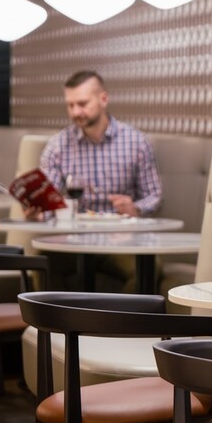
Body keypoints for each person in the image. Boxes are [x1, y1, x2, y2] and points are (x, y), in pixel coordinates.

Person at [34, 70, 162, 290]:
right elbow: (48, 199)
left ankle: (121, 325)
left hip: (121, 239)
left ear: (103, 99)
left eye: (82, 104)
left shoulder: (136, 142)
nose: (75, 112)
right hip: (73, 239)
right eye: (70, 105)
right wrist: (38, 210)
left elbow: (154, 195)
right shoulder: (58, 146)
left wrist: (135, 209)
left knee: (148, 269)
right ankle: (57, 326)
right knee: (41, 263)